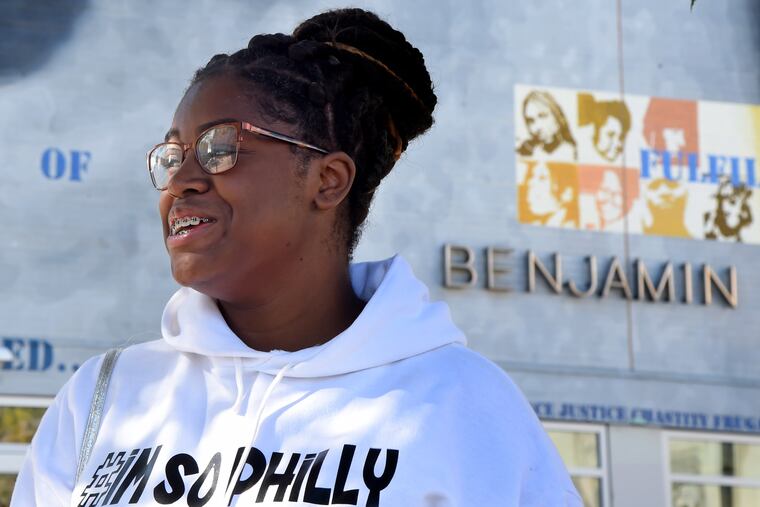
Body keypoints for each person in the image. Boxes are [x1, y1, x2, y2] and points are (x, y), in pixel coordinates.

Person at [12, 8, 580, 506]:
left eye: (219, 148)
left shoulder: (461, 406)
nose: (180, 181)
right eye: (172, 154)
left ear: (328, 180)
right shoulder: (105, 396)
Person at [516, 90, 577, 161]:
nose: (537, 127)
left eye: (542, 116)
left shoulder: (567, 151)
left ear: (557, 117)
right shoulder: (534, 149)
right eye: (530, 121)